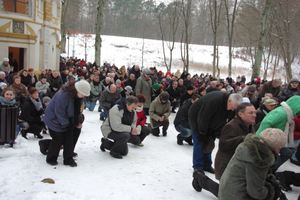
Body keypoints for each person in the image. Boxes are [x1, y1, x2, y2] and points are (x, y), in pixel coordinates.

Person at [217, 129, 288, 200]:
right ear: (274, 146)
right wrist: (271, 191)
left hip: (227, 192)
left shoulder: (249, 147)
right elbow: (256, 193)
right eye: (279, 148)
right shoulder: (260, 159)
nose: (279, 151)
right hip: (237, 196)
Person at [188, 92, 243, 174]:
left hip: (211, 122)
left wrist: (215, 132)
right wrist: (202, 133)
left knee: (209, 142)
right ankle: (198, 167)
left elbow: (224, 120)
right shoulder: (214, 101)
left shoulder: (230, 105)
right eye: (232, 107)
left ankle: (207, 165)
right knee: (199, 142)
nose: (232, 110)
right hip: (197, 120)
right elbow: (203, 118)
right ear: (229, 101)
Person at [44, 80, 90, 167]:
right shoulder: (63, 95)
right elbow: (59, 112)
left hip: (67, 117)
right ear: (77, 89)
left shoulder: (79, 96)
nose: (83, 96)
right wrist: (67, 125)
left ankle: (68, 154)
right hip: (54, 119)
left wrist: (77, 122)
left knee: (75, 131)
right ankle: (51, 157)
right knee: (59, 138)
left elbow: (77, 110)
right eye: (82, 93)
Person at [256, 95, 300, 172]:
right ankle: (270, 171)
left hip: (276, 141)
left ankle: (271, 170)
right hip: (268, 141)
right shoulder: (281, 112)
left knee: (287, 153)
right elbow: (266, 122)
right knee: (279, 157)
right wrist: (269, 139)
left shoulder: (287, 114)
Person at [214, 103, 256, 180]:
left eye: (254, 112)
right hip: (227, 166)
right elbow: (223, 145)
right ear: (240, 114)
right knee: (227, 192)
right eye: (250, 113)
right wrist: (243, 139)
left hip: (239, 165)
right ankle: (201, 180)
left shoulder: (250, 126)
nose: (254, 115)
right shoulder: (231, 126)